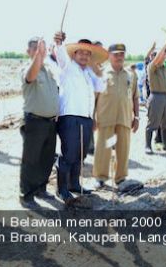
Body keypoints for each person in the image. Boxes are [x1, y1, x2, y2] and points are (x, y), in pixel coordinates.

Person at [53, 32, 106, 204]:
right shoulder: (67, 67)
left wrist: (95, 66)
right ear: (74, 54)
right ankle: (61, 189)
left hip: (86, 118)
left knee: (80, 154)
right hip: (69, 117)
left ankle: (74, 184)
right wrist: (59, 42)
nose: (84, 56)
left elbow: (101, 85)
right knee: (68, 154)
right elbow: (60, 53)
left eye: (88, 53)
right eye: (81, 52)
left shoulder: (88, 73)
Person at [19, 37, 59, 209]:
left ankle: (41, 188)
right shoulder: (27, 68)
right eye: (35, 48)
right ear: (29, 52)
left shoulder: (49, 70)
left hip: (50, 122)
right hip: (34, 121)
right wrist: (39, 55)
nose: (40, 51)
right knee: (31, 159)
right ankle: (26, 195)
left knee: (47, 158)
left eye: (42, 48)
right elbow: (31, 76)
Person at [93, 43, 139, 189]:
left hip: (124, 118)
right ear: (109, 55)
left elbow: (135, 97)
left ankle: (120, 178)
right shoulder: (101, 73)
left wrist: (136, 117)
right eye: (116, 54)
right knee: (104, 148)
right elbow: (93, 97)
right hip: (106, 117)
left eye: (122, 54)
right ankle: (100, 177)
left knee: (123, 148)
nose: (119, 57)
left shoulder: (131, 75)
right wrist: (92, 117)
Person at [145, 40, 166, 154]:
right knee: (153, 122)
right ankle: (148, 146)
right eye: (162, 54)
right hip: (156, 96)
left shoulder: (165, 70)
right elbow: (158, 57)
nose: (163, 57)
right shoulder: (152, 67)